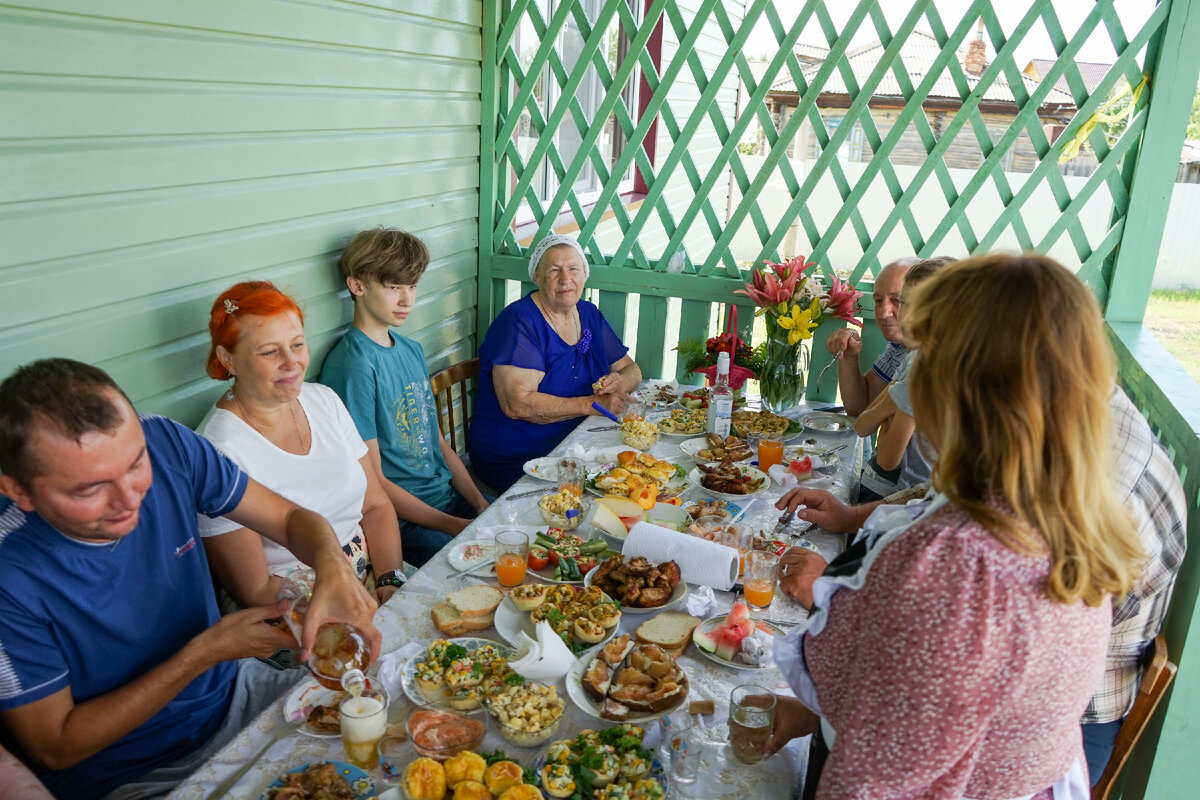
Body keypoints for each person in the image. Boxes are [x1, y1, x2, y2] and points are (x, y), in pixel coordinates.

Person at [766, 254, 1146, 797]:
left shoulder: (957, 564)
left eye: (927, 356)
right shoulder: (1064, 512)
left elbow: (874, 779)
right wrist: (813, 714)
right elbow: (944, 708)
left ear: (953, 384)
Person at [0, 359, 379, 800]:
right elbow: (56, 746)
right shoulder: (11, 575)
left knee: (383, 728)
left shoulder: (164, 441)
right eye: (89, 490)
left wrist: (332, 567)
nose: (130, 498)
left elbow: (290, 517)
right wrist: (204, 652)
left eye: (136, 464)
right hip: (132, 772)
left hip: (235, 693)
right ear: (19, 492)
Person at [777, 381, 1187, 787]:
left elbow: (921, 721)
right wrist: (854, 518)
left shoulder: (1054, 516)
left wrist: (832, 603)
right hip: (985, 710)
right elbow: (940, 494)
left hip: (1059, 724)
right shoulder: (1044, 424)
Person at [198, 281, 406, 605]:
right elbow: (254, 591)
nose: (290, 362)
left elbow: (376, 505)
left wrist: (390, 578)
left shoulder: (323, 399)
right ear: (228, 360)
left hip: (372, 579)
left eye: (297, 345)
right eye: (269, 351)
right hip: (296, 610)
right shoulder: (218, 451)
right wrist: (348, 604)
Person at [320, 229, 489, 567]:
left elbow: (438, 443)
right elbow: (375, 481)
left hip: (449, 498)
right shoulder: (353, 365)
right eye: (393, 287)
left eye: (412, 286)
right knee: (479, 569)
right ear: (357, 286)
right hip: (403, 520)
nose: (407, 300)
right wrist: (455, 526)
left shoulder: (411, 350)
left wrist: (482, 504)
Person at [467, 234, 641, 491]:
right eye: (554, 270)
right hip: (521, 456)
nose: (565, 279)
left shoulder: (588, 313)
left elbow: (632, 369)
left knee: (633, 480)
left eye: (573, 269)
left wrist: (618, 382)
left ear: (585, 274)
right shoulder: (520, 322)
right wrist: (592, 404)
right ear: (537, 276)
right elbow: (517, 404)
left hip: (574, 443)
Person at [852, 256, 953, 500]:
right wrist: (888, 408)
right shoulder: (910, 356)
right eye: (904, 303)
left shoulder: (923, 367)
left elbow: (887, 460)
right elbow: (861, 426)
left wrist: (888, 407)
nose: (903, 316)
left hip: (896, 499)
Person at [825, 256, 918, 416]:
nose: (884, 312)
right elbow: (859, 407)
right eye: (878, 300)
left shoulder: (935, 360)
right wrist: (849, 356)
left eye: (898, 300)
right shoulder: (898, 348)